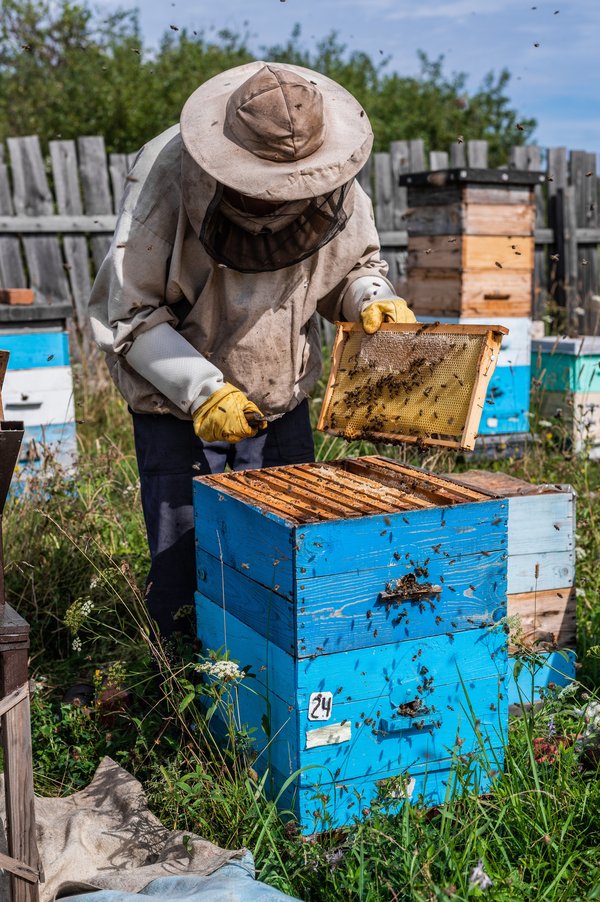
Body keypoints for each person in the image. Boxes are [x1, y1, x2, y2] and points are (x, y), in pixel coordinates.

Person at [89, 61, 416, 639]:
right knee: (185, 573)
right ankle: (185, 701)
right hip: (180, 411)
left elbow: (352, 268)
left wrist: (370, 298)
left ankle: (271, 701)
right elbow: (130, 314)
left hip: (282, 402)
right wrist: (203, 390)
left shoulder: (331, 166)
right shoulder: (165, 172)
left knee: (289, 569)